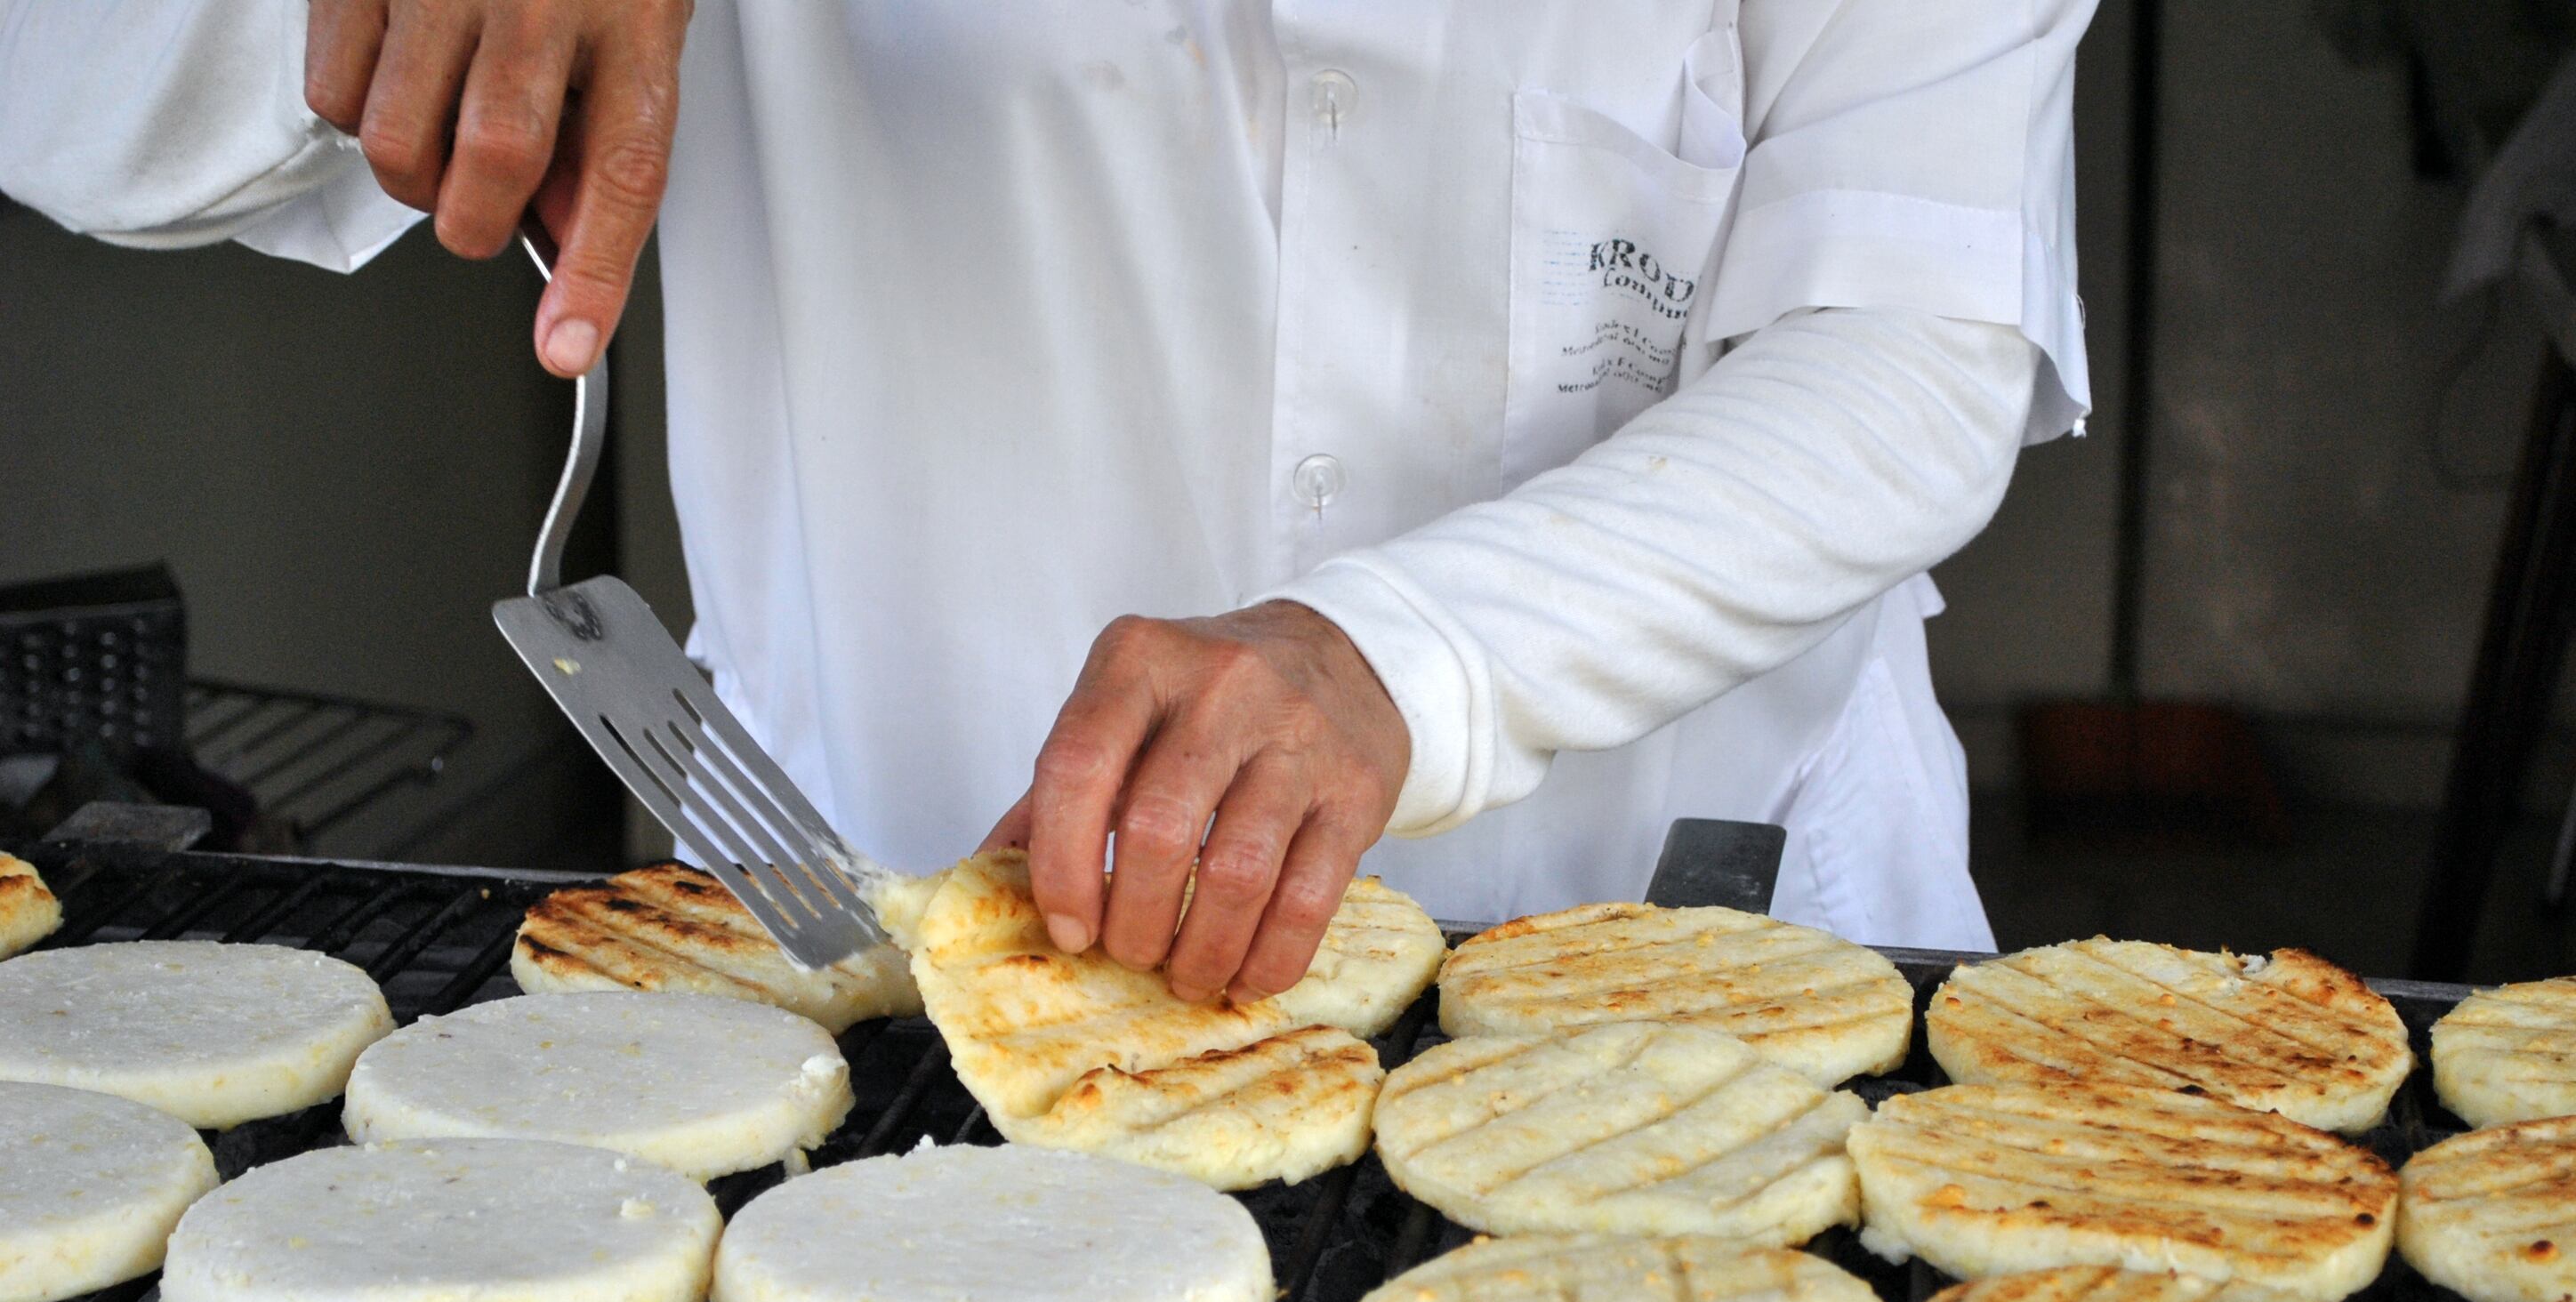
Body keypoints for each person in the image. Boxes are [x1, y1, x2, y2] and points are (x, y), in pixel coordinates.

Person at [0, 0, 2094, 1001]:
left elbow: (1915, 339)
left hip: (1690, 966)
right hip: (875, 952)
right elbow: (74, 91)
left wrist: (1411, 656)